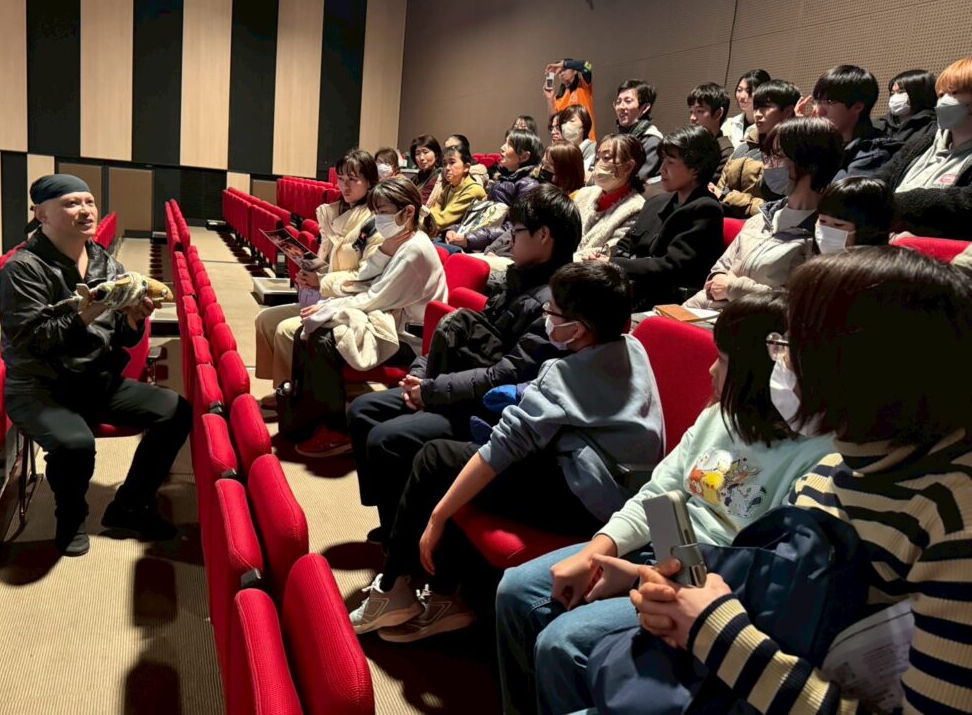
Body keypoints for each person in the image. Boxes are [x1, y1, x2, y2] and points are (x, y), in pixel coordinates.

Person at [632, 246, 972, 715]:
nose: (778, 361)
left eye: (791, 345)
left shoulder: (955, 522)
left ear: (862, 366)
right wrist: (682, 598)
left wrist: (714, 630)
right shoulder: (835, 468)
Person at [495, 292, 835, 715]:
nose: (711, 370)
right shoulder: (722, 415)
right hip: (661, 548)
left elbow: (758, 578)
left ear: (759, 373)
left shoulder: (818, 458)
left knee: (563, 642)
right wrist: (596, 551)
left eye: (723, 360)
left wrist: (640, 578)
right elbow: (657, 494)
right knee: (516, 589)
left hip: (703, 584)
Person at [349, 261, 665, 642]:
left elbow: (500, 449)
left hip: (587, 499)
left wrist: (437, 516)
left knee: (435, 460)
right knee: (453, 460)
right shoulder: (633, 347)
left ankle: (392, 588)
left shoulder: (563, 376)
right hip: (614, 482)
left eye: (553, 312)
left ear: (577, 329)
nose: (547, 318)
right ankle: (444, 594)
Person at [347, 185, 583, 540]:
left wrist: (431, 391)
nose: (509, 239)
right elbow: (464, 334)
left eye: (517, 231)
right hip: (455, 386)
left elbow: (505, 375)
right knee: (362, 410)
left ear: (544, 236)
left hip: (486, 410)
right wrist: (419, 374)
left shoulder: (556, 305)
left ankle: (405, 538)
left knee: (386, 438)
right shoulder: (517, 281)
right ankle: (394, 520)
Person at [0, 174, 191, 556]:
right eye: (71, 203)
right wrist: (89, 312)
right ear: (41, 214)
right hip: (40, 388)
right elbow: (34, 342)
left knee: (176, 411)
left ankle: (129, 505)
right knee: (76, 444)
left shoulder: (103, 260)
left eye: (89, 202)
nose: (85, 211)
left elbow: (122, 337)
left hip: (94, 379)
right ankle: (70, 520)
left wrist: (133, 319)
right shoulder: (23, 270)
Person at [284, 178, 448, 458]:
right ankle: (306, 417)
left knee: (323, 339)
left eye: (383, 212)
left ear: (408, 212)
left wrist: (329, 308)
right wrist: (383, 251)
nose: (378, 219)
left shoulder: (414, 251)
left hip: (410, 339)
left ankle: (336, 429)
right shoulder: (399, 241)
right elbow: (366, 276)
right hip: (389, 317)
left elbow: (375, 297)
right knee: (310, 331)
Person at [685, 117, 845, 309]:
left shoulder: (824, 234)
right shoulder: (761, 218)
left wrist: (733, 288)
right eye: (767, 156)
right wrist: (718, 281)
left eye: (777, 156)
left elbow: (798, 302)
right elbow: (719, 271)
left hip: (757, 321)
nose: (768, 166)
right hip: (707, 312)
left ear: (810, 162)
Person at [255, 150, 382, 392]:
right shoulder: (333, 213)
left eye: (353, 179)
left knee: (285, 330)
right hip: (324, 296)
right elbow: (326, 260)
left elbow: (366, 277)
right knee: (265, 320)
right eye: (341, 179)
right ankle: (283, 387)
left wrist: (320, 280)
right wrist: (307, 271)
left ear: (369, 182)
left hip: (349, 303)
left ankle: (298, 393)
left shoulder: (375, 221)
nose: (345, 186)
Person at [593, 126, 724, 309]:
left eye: (670, 162)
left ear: (695, 168)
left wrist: (612, 263)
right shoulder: (656, 202)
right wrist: (602, 258)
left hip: (665, 301)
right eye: (662, 160)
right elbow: (625, 245)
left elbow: (671, 267)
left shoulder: (706, 210)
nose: (661, 169)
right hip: (631, 290)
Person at [879, 57, 972, 239]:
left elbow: (965, 203)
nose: (944, 101)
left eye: (954, 92)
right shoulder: (924, 142)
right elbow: (884, 177)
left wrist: (896, 203)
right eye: (941, 95)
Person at [712, 79, 800, 218]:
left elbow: (778, 207)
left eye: (766, 107)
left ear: (788, 111)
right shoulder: (744, 146)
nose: (758, 114)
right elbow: (718, 189)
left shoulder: (790, 153)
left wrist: (728, 197)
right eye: (756, 107)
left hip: (760, 226)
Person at [451, 129, 544, 256]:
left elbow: (513, 228)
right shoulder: (502, 178)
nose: (502, 148)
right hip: (479, 240)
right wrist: (453, 230)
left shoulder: (528, 186)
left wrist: (469, 239)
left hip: (498, 249)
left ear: (524, 156)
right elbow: (482, 217)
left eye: (509, 145)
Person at [799, 64, 894, 178]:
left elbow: (833, 188)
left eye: (830, 102)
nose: (819, 111)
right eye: (818, 102)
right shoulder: (824, 142)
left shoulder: (873, 153)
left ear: (857, 107)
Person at [573, 134, 647, 261]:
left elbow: (607, 253)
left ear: (628, 167)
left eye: (606, 158)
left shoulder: (637, 209)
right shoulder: (583, 194)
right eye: (598, 158)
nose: (598, 164)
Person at [815, 176, 895, 253]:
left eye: (838, 224)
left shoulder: (886, 260)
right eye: (822, 221)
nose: (826, 231)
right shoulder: (809, 253)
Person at [426, 145, 488, 236]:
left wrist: (416, 223)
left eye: (452, 162)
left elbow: (443, 220)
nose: (447, 168)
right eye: (444, 164)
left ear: (466, 167)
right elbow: (435, 210)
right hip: (446, 234)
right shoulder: (449, 187)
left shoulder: (473, 189)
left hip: (464, 238)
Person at [613, 80, 663, 182]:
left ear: (644, 108)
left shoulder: (652, 141)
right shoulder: (617, 138)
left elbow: (637, 180)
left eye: (628, 101)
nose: (621, 107)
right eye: (618, 102)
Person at [874, 69, 938, 144]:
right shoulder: (878, 125)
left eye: (901, 92)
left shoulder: (933, 128)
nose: (895, 97)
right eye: (892, 92)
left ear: (920, 93)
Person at [686, 82, 735, 182]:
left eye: (699, 111)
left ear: (718, 113)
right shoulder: (688, 143)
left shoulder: (725, 152)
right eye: (691, 112)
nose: (692, 118)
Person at [544, 58, 596, 140]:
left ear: (575, 71)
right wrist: (549, 99)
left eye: (565, 70)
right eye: (560, 72)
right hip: (566, 142)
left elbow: (587, 66)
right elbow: (553, 120)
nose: (562, 73)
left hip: (586, 139)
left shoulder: (583, 86)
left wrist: (563, 64)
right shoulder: (558, 97)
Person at [722, 68, 771, 149]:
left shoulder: (768, 127)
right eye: (739, 90)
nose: (742, 96)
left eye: (749, 91)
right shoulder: (729, 124)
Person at [558, 104, 595, 178]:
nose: (566, 125)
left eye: (572, 121)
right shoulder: (562, 151)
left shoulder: (594, 150)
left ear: (584, 125)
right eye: (564, 122)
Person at [409, 134, 443, 207]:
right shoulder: (415, 178)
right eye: (417, 153)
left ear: (436, 154)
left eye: (425, 152)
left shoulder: (438, 178)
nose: (421, 158)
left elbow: (421, 203)